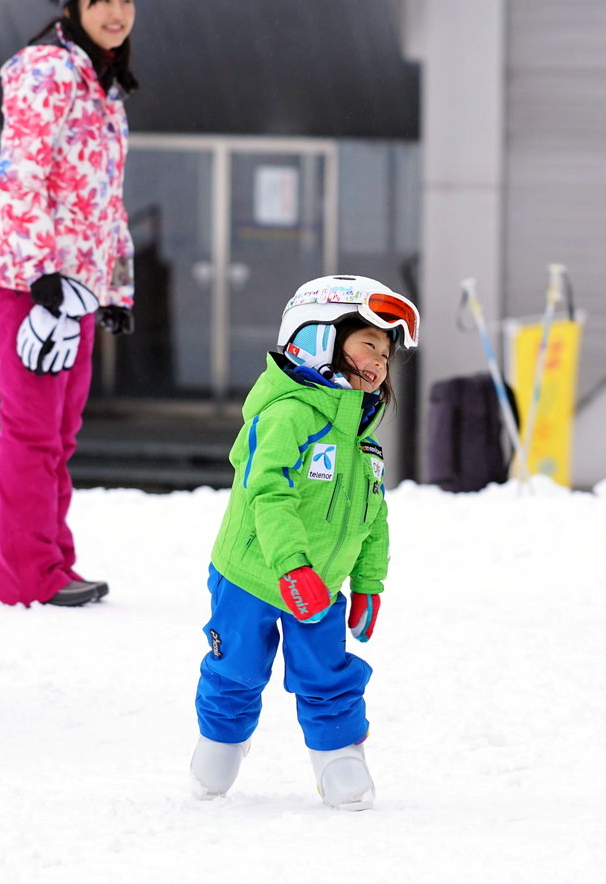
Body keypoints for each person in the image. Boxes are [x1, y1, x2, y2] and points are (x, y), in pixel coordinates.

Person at [189, 274, 419, 811]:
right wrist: (292, 566)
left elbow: (373, 516)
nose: (380, 363)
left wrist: (367, 582)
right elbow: (267, 494)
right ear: (317, 338)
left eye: (386, 355)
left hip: (321, 588)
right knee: (238, 666)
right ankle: (221, 738)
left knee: (326, 669)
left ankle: (339, 757)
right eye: (369, 345)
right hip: (250, 575)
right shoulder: (287, 416)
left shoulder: (361, 440)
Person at [0, 0, 138, 608]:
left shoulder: (105, 90)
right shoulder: (50, 71)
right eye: (103, 0)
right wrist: (42, 273)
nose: (118, 13)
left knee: (60, 433)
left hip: (78, 290)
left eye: (126, 0)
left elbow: (108, 200)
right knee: (32, 429)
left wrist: (118, 288)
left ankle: (51, 558)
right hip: (27, 283)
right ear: (72, 8)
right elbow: (19, 172)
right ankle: (24, 575)